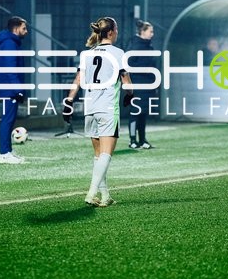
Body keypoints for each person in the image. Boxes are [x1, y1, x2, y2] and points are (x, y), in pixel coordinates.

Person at [63, 17, 133, 208]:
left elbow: (78, 79)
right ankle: (91, 193)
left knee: (98, 156)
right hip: (108, 108)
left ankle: (105, 196)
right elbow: (127, 83)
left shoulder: (87, 54)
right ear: (111, 32)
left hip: (90, 108)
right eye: (116, 29)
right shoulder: (118, 53)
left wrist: (68, 101)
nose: (117, 32)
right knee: (106, 154)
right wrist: (130, 95)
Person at [0, 16, 29, 164]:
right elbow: (10, 69)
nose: (26, 31)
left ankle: (7, 151)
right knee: (7, 121)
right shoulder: (9, 44)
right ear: (16, 28)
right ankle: (3, 153)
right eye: (24, 28)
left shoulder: (10, 43)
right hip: (9, 89)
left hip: (9, 88)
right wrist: (18, 89)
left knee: (9, 120)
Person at [126, 20, 158, 149]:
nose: (152, 34)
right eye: (150, 31)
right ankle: (133, 140)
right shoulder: (134, 46)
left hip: (147, 84)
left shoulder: (149, 47)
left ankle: (142, 140)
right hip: (137, 84)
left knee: (143, 112)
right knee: (135, 111)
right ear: (143, 32)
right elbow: (127, 64)